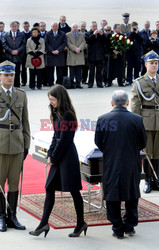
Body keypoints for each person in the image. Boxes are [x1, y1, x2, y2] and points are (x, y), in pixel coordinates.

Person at [29, 84, 87, 238]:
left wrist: (54, 157)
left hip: (67, 157)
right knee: (49, 188)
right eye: (49, 99)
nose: (51, 102)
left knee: (74, 191)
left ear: (60, 99)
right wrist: (50, 153)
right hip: (59, 156)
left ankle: (81, 223)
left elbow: (65, 141)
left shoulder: (68, 115)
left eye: (53, 99)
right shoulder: (56, 113)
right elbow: (55, 137)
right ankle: (43, 224)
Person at [95, 90, 146, 239]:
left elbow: (98, 142)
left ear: (112, 103)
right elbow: (142, 142)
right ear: (127, 102)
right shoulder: (136, 119)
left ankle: (117, 227)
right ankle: (129, 226)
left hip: (111, 161)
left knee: (112, 194)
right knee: (131, 192)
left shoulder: (103, 119)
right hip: (131, 161)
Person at [0, 60, 30, 232]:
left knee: (13, 183)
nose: (9, 78)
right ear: (0, 76)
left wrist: (26, 144)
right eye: (6, 75)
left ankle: (12, 216)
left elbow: (25, 121)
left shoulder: (21, 95)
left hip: (17, 145)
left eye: (11, 75)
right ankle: (1, 216)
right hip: (0, 144)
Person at [131, 50, 159, 193]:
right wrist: (136, 124)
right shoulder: (139, 82)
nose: (154, 66)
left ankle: (157, 178)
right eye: (152, 63)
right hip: (146, 121)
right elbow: (135, 105)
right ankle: (148, 179)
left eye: (156, 63)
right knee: (147, 152)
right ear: (146, 64)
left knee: (158, 152)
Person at [3, 21, 26, 87]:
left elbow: (24, 44)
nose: (14, 27)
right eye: (13, 26)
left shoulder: (21, 34)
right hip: (9, 56)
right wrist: (10, 51)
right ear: (10, 27)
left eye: (15, 26)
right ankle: (9, 85)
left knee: (17, 71)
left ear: (17, 27)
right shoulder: (6, 35)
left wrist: (17, 51)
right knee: (9, 72)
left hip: (18, 56)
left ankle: (17, 85)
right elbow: (4, 44)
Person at [85, 21, 106, 88]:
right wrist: (94, 34)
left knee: (99, 71)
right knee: (91, 71)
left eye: (96, 26)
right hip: (92, 55)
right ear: (91, 27)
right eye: (93, 26)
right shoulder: (88, 33)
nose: (95, 27)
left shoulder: (100, 33)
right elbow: (88, 40)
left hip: (99, 55)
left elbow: (105, 41)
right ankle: (90, 83)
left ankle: (99, 83)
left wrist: (102, 35)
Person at [66, 23, 86, 89]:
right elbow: (68, 43)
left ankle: (78, 84)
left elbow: (83, 42)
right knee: (72, 71)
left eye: (76, 27)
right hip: (72, 54)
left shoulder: (82, 34)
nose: (75, 28)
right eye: (73, 27)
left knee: (79, 71)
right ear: (71, 28)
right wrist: (75, 49)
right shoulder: (68, 35)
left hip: (79, 54)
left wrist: (79, 49)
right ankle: (71, 84)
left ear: (78, 28)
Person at [125, 22, 143, 86]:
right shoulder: (128, 33)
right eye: (134, 27)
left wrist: (136, 33)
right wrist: (132, 32)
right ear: (131, 27)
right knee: (129, 67)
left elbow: (141, 40)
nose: (135, 28)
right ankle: (129, 80)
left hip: (137, 53)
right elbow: (127, 39)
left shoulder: (139, 33)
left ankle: (136, 79)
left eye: (136, 27)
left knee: (137, 67)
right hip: (130, 53)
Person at [21, 21, 31, 86]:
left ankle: (32, 81)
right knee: (23, 68)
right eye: (25, 26)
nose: (26, 27)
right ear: (23, 27)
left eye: (27, 26)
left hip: (30, 53)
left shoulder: (31, 33)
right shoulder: (21, 34)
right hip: (23, 53)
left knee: (31, 68)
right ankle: (23, 81)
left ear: (29, 26)